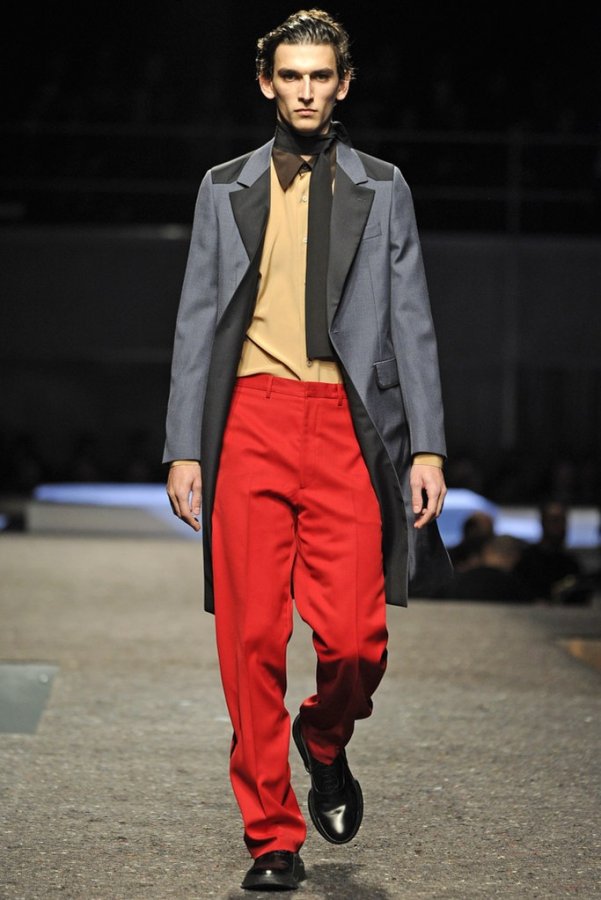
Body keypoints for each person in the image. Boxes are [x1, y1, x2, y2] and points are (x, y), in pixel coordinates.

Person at [164, 9, 451, 891]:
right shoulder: (223, 187)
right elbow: (196, 320)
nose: (305, 91)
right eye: (290, 76)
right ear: (267, 83)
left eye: (320, 76)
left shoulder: (383, 186)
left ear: (343, 83)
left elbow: (411, 318)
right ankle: (272, 836)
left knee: (357, 640)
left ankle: (322, 738)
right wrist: (184, 447)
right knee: (249, 639)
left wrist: (428, 448)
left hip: (345, 423)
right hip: (249, 417)